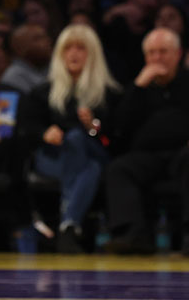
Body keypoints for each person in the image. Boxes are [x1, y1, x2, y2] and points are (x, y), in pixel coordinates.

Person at [103, 27, 189, 254]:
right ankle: (133, 234)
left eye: (163, 52)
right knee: (119, 169)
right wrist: (138, 87)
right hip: (148, 157)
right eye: (151, 53)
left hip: (185, 152)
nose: (157, 58)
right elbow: (118, 127)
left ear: (178, 54)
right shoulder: (137, 87)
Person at [20, 24, 122, 253]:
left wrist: (93, 126)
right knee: (90, 168)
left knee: (78, 138)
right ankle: (70, 226)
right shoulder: (42, 92)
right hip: (53, 157)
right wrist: (44, 133)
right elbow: (27, 128)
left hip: (94, 150)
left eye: (81, 48)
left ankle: (67, 223)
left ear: (93, 54)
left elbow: (114, 138)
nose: (73, 54)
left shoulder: (109, 94)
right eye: (68, 48)